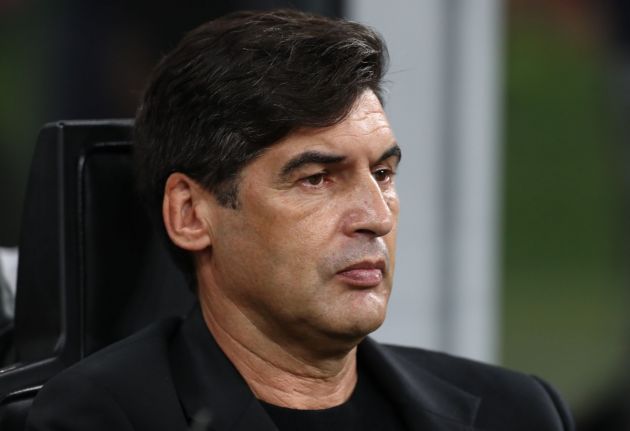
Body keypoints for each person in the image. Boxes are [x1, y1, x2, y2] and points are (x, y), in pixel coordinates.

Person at [26, 9, 574, 431]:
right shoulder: (100, 417)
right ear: (191, 214)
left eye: (383, 174)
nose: (377, 218)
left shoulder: (518, 412)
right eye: (317, 178)